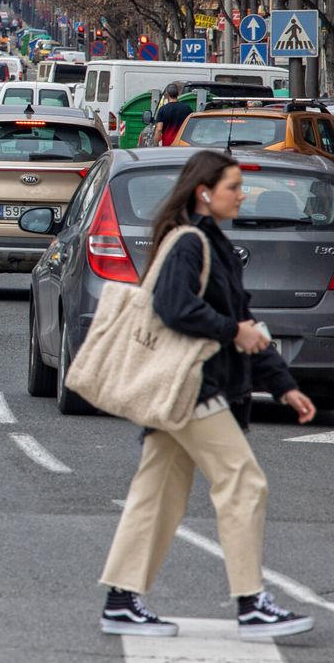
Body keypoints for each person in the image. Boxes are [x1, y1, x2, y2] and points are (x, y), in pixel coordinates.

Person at [98, 150, 316, 641]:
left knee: (158, 496)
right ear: (204, 192)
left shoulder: (210, 243)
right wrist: (232, 331)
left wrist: (282, 384)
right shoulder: (190, 244)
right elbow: (176, 308)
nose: (242, 195)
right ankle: (251, 603)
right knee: (243, 482)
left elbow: (243, 325)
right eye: (233, 187)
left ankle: (121, 599)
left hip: (185, 388)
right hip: (194, 387)